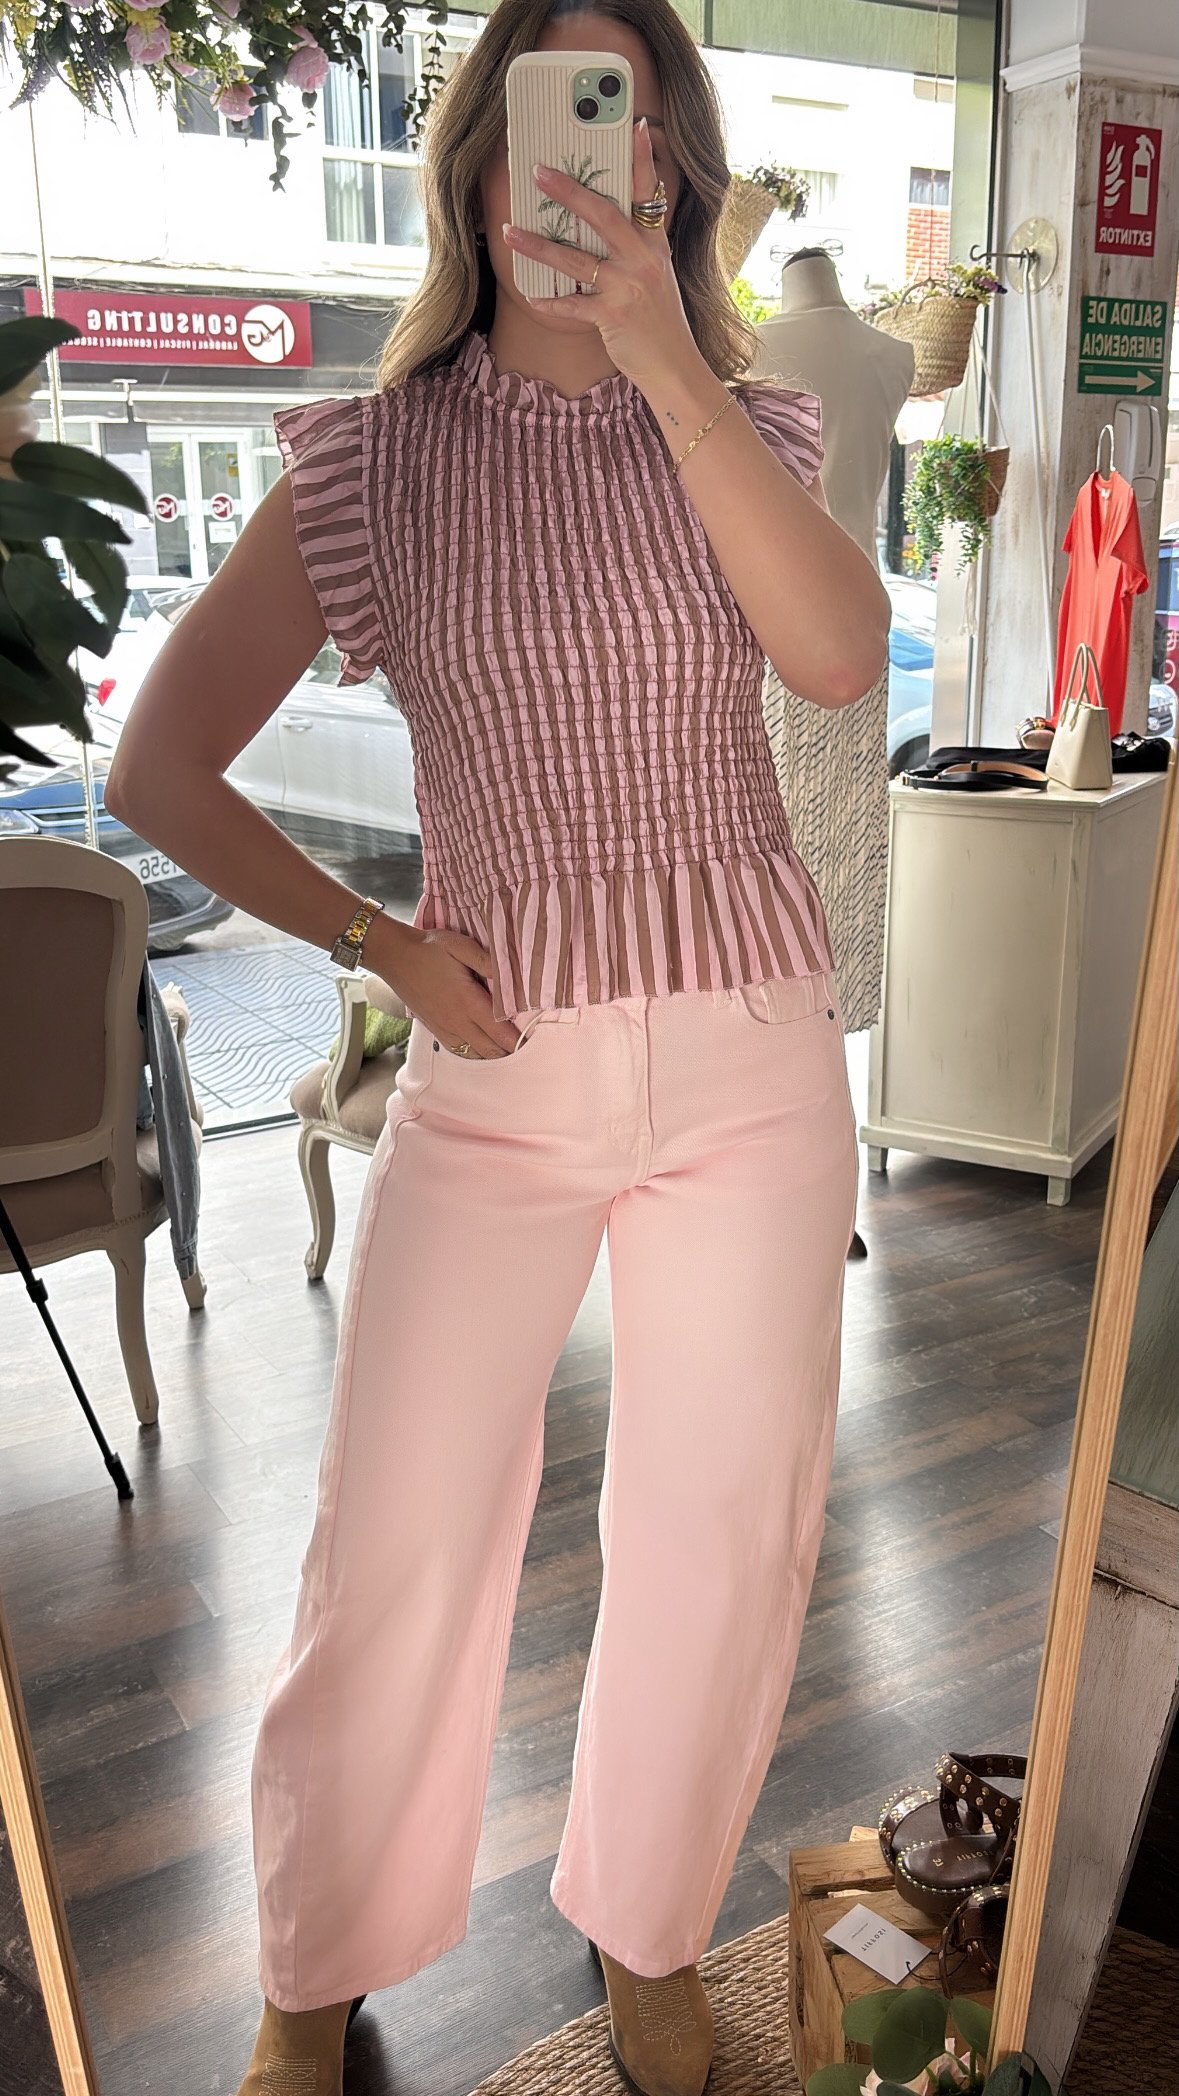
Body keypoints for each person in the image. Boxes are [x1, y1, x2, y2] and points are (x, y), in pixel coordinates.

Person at [105, 2, 889, 2090]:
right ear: (472, 164)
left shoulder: (745, 423)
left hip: (749, 1053)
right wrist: (373, 938)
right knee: (396, 1535)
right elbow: (159, 765)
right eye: (546, 119)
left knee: (725, 1530)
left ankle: (649, 1933)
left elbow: (834, 657)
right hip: (496, 1049)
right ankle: (311, 1975)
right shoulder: (371, 463)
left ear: (669, 170)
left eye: (623, 126)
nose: (579, 168)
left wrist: (664, 357)